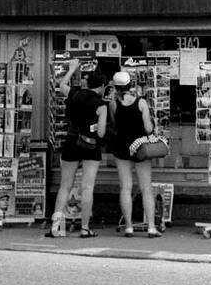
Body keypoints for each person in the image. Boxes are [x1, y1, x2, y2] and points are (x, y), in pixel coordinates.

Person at [48, 65, 108, 239]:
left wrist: (73, 67)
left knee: (65, 186)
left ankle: (56, 227)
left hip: (71, 141)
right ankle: (85, 228)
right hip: (91, 145)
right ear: (102, 86)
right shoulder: (101, 105)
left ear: (87, 84)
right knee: (87, 187)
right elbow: (101, 133)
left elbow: (61, 85)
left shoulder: (74, 94)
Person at [107, 71, 160, 238]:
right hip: (140, 148)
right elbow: (148, 129)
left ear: (116, 86)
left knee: (125, 187)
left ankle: (129, 227)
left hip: (121, 147)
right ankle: (151, 227)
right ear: (131, 85)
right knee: (146, 188)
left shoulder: (113, 104)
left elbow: (115, 126)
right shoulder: (141, 102)